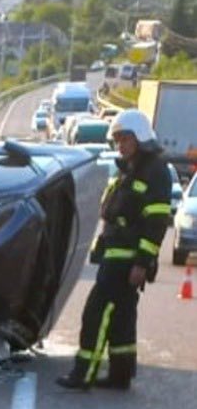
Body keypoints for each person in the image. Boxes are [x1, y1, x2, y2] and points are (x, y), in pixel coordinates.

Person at [57, 109, 172, 392]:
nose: (120, 144)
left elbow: (156, 221)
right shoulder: (131, 170)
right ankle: (121, 375)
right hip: (117, 256)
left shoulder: (154, 171)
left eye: (125, 138)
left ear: (141, 137)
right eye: (118, 139)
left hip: (127, 260)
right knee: (121, 317)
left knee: (96, 313)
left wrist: (143, 262)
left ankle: (83, 374)